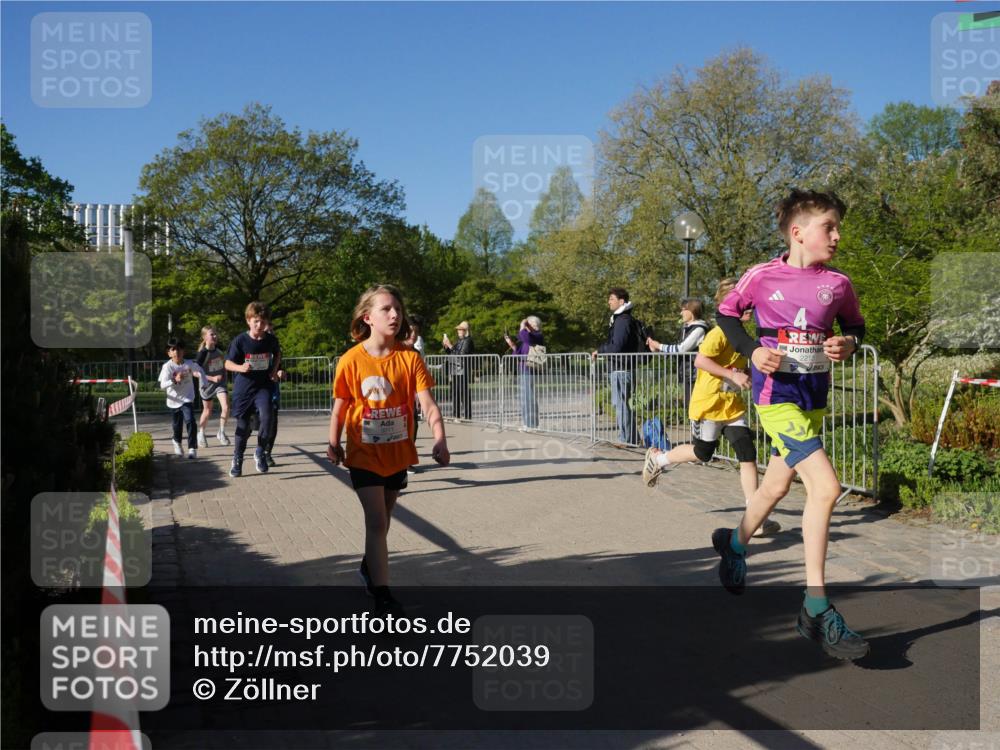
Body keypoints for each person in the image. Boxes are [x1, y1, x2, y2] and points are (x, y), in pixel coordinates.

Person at [712, 188, 868, 660]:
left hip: (813, 400)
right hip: (775, 398)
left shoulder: (838, 284)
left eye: (838, 227)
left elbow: (856, 326)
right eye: (830, 227)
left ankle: (735, 546)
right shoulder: (761, 276)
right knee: (826, 488)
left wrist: (849, 344)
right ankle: (816, 608)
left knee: (775, 488)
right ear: (798, 232)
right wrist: (750, 350)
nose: (837, 236)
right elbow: (725, 313)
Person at [327, 284, 449, 617]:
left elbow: (428, 404)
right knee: (377, 522)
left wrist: (440, 438)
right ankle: (382, 595)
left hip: (398, 454)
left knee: (385, 518)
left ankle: (369, 566)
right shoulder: (351, 360)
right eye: (386, 309)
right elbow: (339, 408)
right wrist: (333, 442)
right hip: (363, 453)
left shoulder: (410, 358)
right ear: (368, 317)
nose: (395, 314)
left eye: (398, 308)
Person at [642, 279, 781, 537]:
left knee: (746, 451)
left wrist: (753, 372)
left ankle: (755, 515)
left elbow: (742, 365)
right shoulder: (718, 333)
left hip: (731, 404)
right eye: (746, 305)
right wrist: (733, 375)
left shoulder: (743, 336)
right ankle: (658, 459)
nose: (751, 310)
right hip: (709, 402)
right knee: (703, 452)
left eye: (752, 305)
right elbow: (700, 361)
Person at [225, 301, 282, 478]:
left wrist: (274, 370)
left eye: (263, 322)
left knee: (268, 417)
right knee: (243, 426)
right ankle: (237, 458)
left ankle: (260, 451)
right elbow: (227, 363)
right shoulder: (240, 341)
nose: (260, 325)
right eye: (256, 321)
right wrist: (240, 368)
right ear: (248, 321)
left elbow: (278, 353)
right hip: (244, 388)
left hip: (263, 386)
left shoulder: (271, 340)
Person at [592, 288, 640, 444]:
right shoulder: (620, 319)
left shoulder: (622, 320)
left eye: (612, 298)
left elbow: (617, 346)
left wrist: (601, 350)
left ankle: (626, 439)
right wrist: (601, 350)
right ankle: (630, 438)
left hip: (621, 368)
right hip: (620, 367)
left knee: (620, 404)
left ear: (621, 301)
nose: (609, 301)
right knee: (621, 404)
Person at [646, 298, 710, 412]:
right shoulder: (686, 329)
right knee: (690, 406)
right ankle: (695, 429)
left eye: (683, 310)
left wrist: (659, 346)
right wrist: (657, 349)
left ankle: (700, 430)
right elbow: (676, 349)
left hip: (697, 374)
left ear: (692, 311)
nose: (681, 313)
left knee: (696, 408)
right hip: (688, 374)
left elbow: (682, 348)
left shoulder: (699, 329)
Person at [157, 337, 206, 459]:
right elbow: (162, 385)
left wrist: (203, 383)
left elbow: (200, 370)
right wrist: (174, 380)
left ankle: (192, 448)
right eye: (173, 350)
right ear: (169, 353)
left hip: (187, 398)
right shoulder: (167, 367)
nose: (176, 352)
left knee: (190, 421)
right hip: (173, 400)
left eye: (179, 349)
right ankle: (177, 442)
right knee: (177, 425)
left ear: (183, 351)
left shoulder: (189, 364)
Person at [505, 316, 544, 430]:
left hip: (530, 370)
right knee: (525, 397)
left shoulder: (537, 336)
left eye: (528, 324)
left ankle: (532, 425)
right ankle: (527, 423)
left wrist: (523, 326)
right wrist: (513, 346)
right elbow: (519, 354)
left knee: (529, 397)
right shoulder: (528, 339)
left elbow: (525, 337)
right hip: (523, 370)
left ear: (533, 325)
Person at [195, 326, 231, 447]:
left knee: (226, 407)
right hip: (207, 385)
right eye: (212, 334)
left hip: (220, 384)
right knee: (207, 410)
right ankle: (201, 433)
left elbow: (224, 362)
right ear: (205, 337)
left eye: (215, 334)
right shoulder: (202, 354)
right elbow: (195, 372)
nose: (215, 337)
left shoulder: (220, 350)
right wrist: (211, 378)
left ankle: (221, 432)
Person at [258, 321, 286, 467]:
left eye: (272, 332)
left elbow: (280, 367)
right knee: (256, 424)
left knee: (272, 424)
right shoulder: (254, 347)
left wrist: (281, 372)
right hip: (255, 392)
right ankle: (257, 450)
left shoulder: (275, 348)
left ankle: (267, 453)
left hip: (272, 391)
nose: (271, 334)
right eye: (268, 332)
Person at [442, 320, 474, 421]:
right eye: (458, 329)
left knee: (463, 393)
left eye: (461, 329)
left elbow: (461, 355)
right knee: (455, 392)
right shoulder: (459, 340)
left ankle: (467, 416)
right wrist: (446, 346)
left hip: (463, 370)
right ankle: (456, 415)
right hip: (455, 369)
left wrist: (450, 345)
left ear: (466, 331)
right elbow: (451, 353)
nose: (458, 331)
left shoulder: (468, 341)